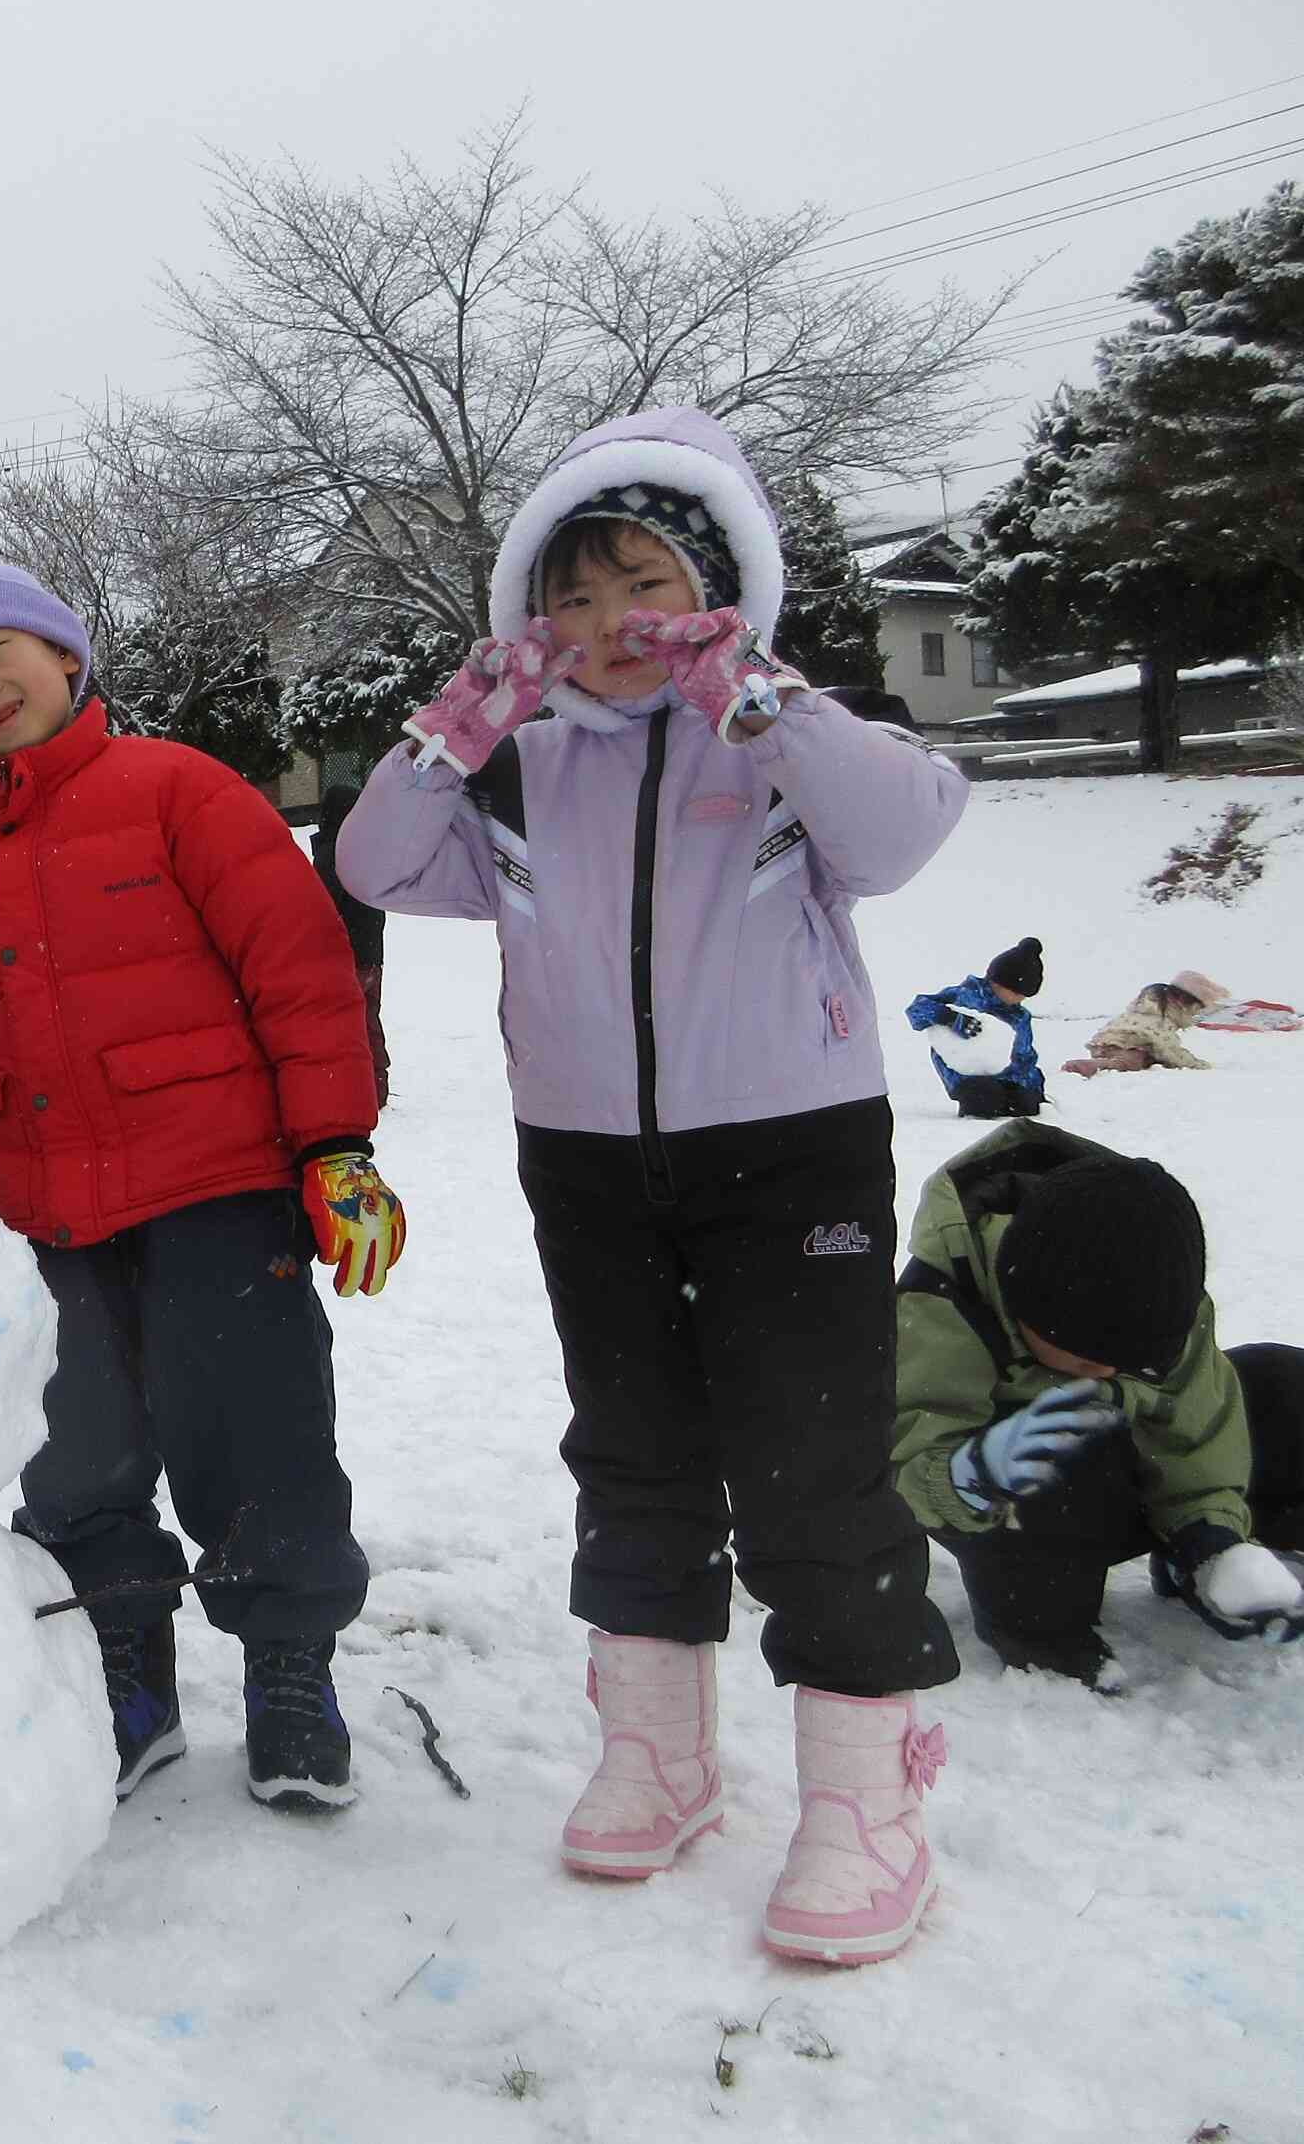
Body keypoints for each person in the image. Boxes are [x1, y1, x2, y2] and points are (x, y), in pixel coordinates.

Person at [340, 407, 968, 1965]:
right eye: (571, 595)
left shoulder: (784, 740)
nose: (608, 623)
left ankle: (865, 1792)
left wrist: (763, 695)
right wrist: (457, 726)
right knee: (635, 1445)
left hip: (792, 1148)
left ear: (718, 586)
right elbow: (370, 864)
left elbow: (900, 830)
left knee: (812, 1460)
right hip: (589, 1157)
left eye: (643, 581)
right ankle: (661, 1748)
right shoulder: (518, 775)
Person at [0, 561, 398, 1818]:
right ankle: (125, 1668)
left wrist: (334, 1143)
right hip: (47, 1220)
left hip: (217, 1187)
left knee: (260, 1434)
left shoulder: (180, 788)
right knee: (77, 1460)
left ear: (68, 661)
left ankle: (291, 1668)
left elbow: (298, 966)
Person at [891, 1124, 1304, 1689]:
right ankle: (1041, 1632)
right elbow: (901, 1454)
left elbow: (1198, 1424)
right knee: (1064, 1459)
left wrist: (1207, 1537)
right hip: (1019, 1509)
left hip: (1138, 1472)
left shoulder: (1154, 1282)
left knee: (1282, 1383)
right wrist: (969, 1476)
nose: (1107, 1373)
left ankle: (1211, 1560)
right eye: (1088, 1360)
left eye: (1130, 1362)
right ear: (1022, 1306)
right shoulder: (943, 1305)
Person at [309, 782, 390, 1102]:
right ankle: (376, 1083)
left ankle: (351, 1087)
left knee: (345, 1024)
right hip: (372, 952)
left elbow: (322, 908)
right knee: (368, 1019)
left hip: (346, 956)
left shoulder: (334, 853)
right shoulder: (366, 849)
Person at [906, 936, 1046, 1117]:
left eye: (1024, 996)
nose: (1019, 999)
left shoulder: (1019, 1016)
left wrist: (1032, 1087)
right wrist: (950, 1017)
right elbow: (916, 1009)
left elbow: (1024, 1055)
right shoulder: (965, 997)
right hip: (966, 1076)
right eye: (1016, 992)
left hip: (1009, 1078)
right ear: (997, 982)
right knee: (985, 1101)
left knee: (1026, 1106)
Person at [1060, 973, 1227, 1078]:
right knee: (1130, 1063)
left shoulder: (1143, 1009)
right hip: (1125, 1047)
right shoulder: (1160, 1020)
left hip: (1103, 1043)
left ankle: (1101, 1061)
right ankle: (1092, 1065)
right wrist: (1195, 1064)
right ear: (1183, 1003)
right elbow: (1169, 1050)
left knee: (1147, 1056)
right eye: (1195, 1011)